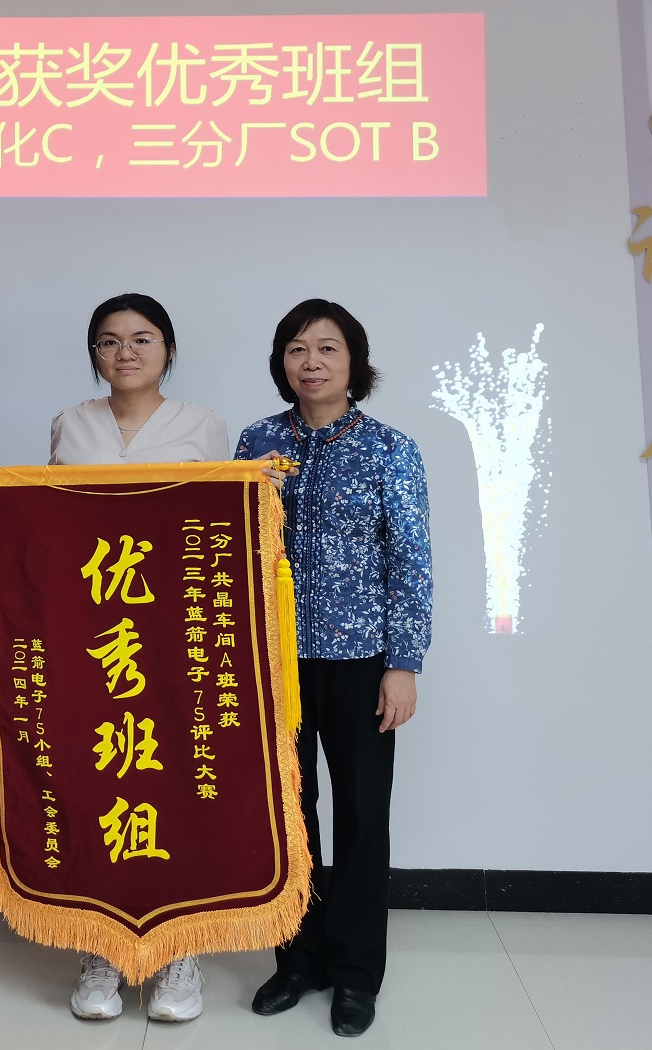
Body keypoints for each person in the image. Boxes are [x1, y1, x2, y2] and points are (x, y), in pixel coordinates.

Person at [235, 299, 431, 1038]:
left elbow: (410, 560)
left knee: (361, 814)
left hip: (361, 662)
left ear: (355, 362)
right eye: (296, 348)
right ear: (281, 362)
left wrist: (403, 663)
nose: (311, 362)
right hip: (275, 660)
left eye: (327, 348)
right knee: (288, 813)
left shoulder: (390, 449)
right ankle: (297, 959)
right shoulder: (258, 442)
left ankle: (355, 972)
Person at [50, 293, 231, 1024]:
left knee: (175, 776)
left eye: (142, 338)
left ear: (168, 350)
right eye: (109, 340)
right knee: (97, 776)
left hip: (172, 634)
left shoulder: (203, 425)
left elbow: (222, 529)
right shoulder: (70, 423)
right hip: (93, 634)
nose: (125, 352)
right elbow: (48, 523)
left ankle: (179, 953)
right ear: (94, 353)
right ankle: (102, 951)